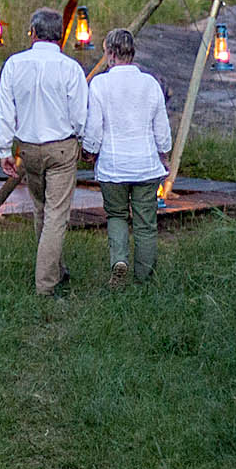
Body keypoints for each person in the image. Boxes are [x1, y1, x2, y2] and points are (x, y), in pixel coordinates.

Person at [0, 5, 89, 295]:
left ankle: (56, 269)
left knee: (41, 210)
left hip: (29, 149)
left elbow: (5, 111)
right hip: (61, 149)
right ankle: (46, 285)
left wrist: (4, 150)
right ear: (59, 36)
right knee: (57, 215)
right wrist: (86, 144)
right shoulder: (70, 68)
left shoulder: (14, 64)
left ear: (33, 33)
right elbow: (80, 115)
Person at [81, 28, 172, 287]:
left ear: (109, 53)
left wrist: (89, 151)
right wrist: (163, 154)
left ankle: (119, 260)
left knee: (117, 216)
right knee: (146, 224)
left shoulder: (99, 84)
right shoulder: (150, 83)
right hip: (145, 166)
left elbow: (94, 128)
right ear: (132, 53)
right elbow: (162, 129)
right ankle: (144, 277)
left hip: (113, 167)